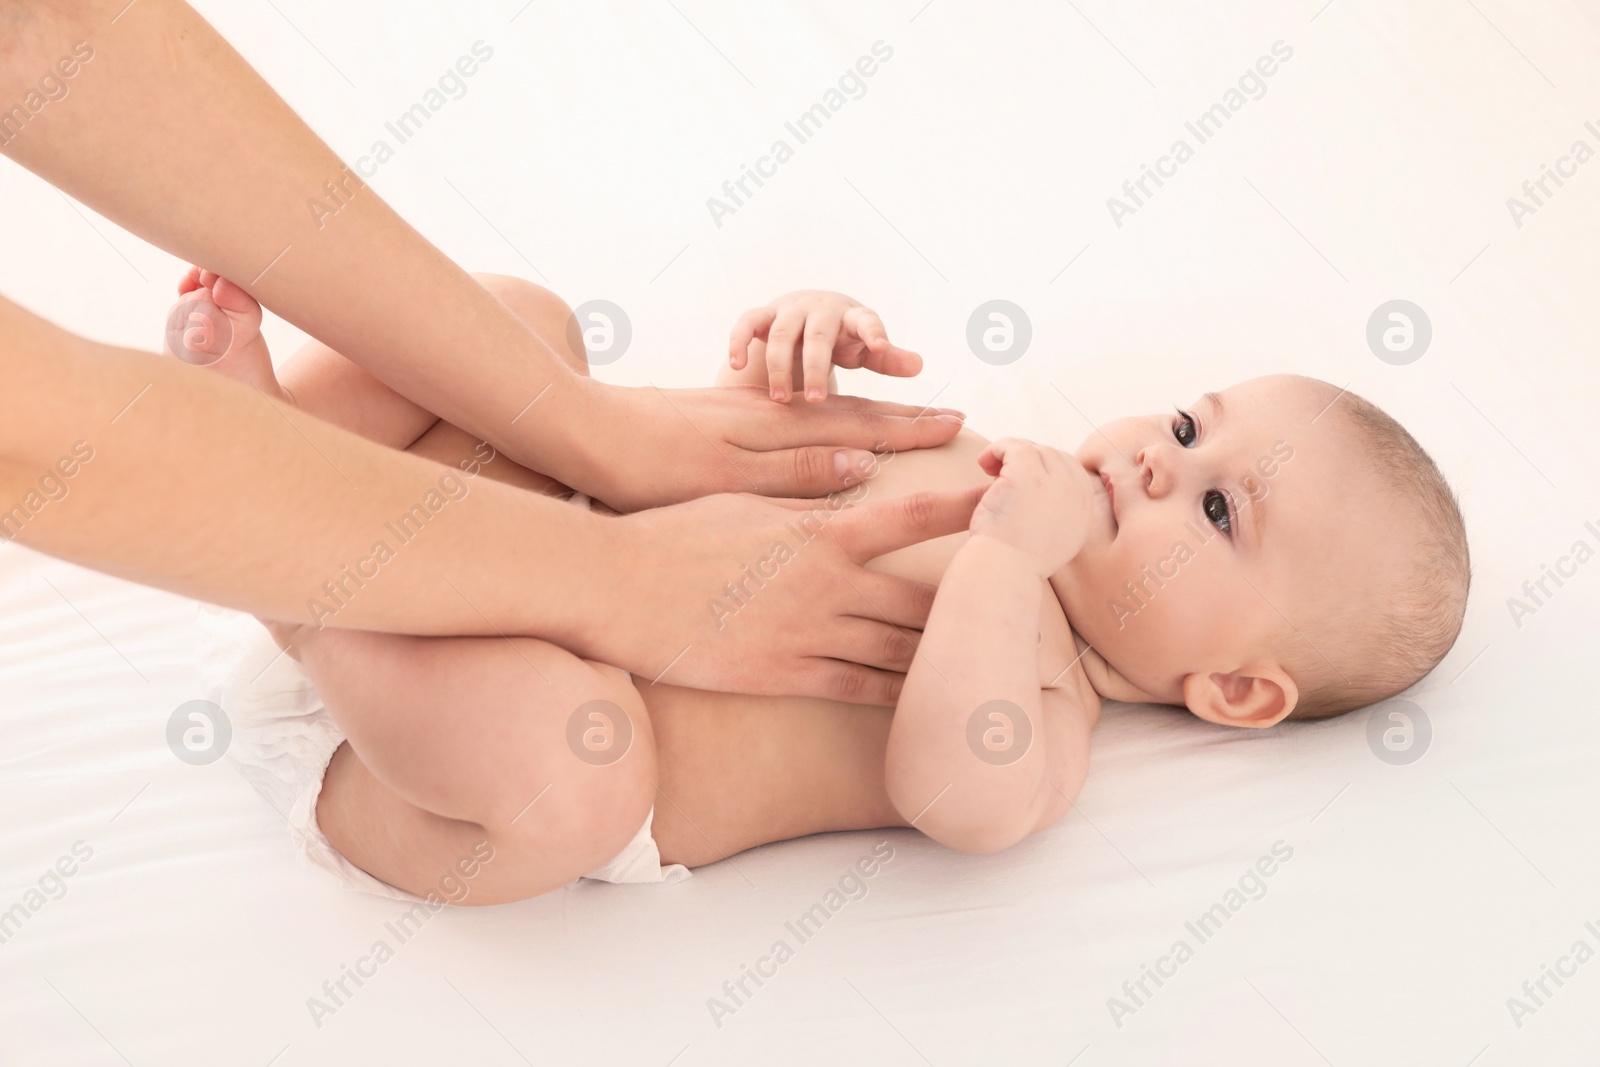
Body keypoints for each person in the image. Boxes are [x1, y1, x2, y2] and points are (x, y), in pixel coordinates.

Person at [194, 279, 1470, 905]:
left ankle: (287, 580)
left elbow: (953, 794)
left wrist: (1003, 558)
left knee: (575, 775)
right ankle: (249, 457)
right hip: (509, 533)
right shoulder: (973, 451)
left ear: (1235, 688)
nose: (1156, 454)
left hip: (438, 740)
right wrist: (783, 358)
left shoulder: (1044, 705)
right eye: (1192, 422)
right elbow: (710, 442)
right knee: (527, 327)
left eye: (1211, 506)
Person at [0, 0, 974, 705]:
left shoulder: (1056, 678)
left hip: (500, 630)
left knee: (526, 324)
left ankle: (285, 522)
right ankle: (298, 599)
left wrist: (599, 433)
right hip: (486, 663)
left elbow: (50, 27)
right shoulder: (1036, 572)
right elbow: (32, 445)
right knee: (568, 773)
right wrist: (794, 339)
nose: (1129, 456)